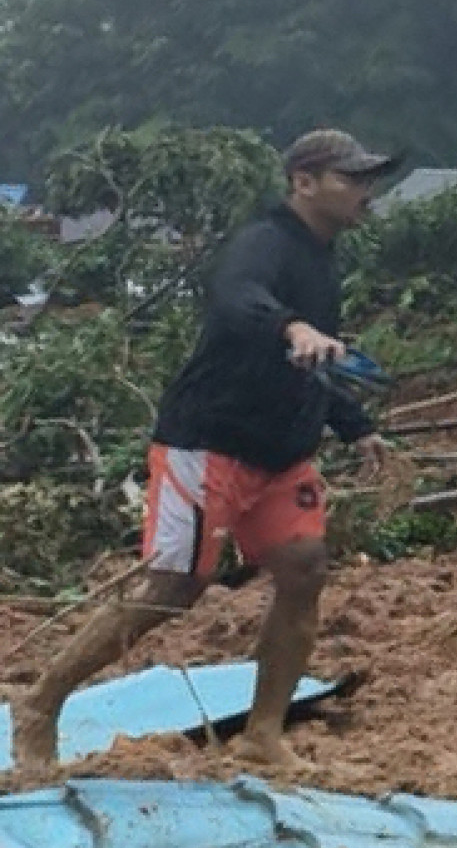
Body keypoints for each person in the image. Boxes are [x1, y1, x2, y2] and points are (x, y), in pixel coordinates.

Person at [13, 130, 399, 772]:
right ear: (304, 182)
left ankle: (263, 733)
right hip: (208, 445)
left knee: (304, 570)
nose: (366, 191)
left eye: (368, 179)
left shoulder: (324, 260)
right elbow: (236, 302)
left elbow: (312, 363)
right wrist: (290, 324)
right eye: (351, 178)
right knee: (173, 587)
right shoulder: (263, 244)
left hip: (280, 456)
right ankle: (41, 705)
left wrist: (357, 427)